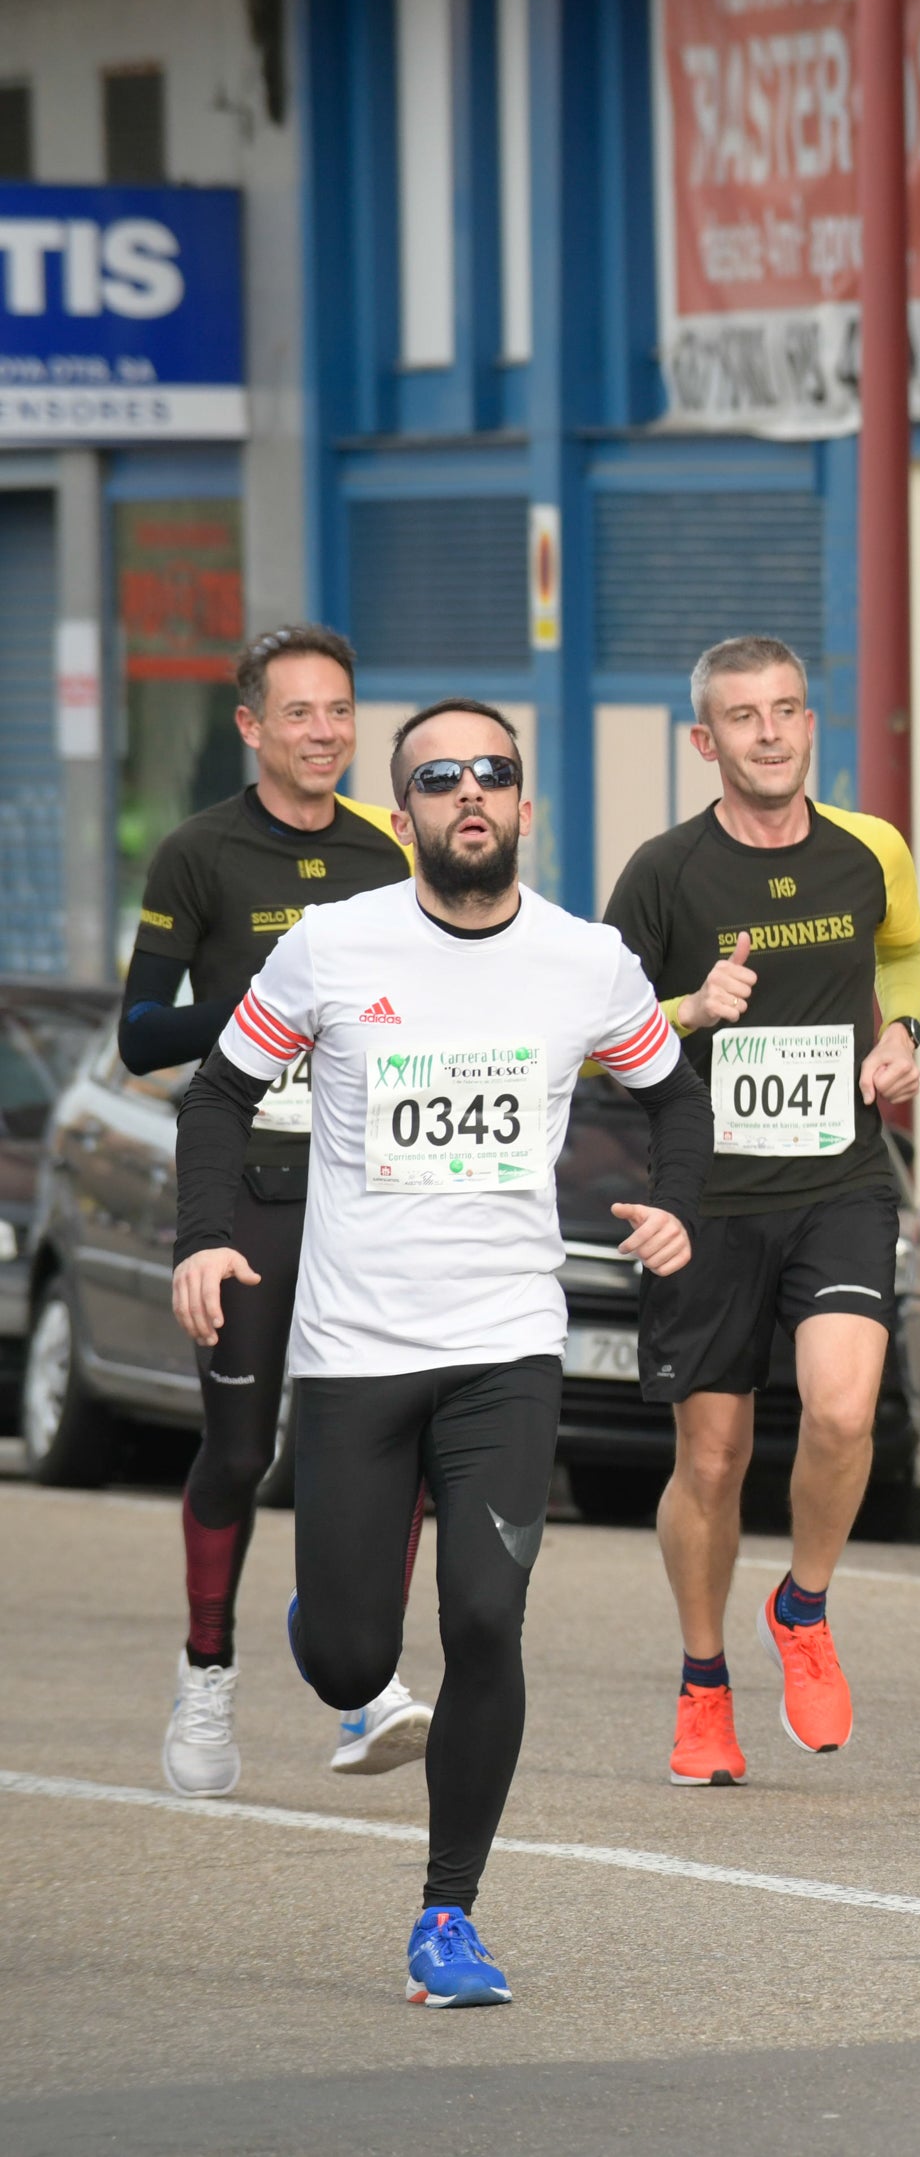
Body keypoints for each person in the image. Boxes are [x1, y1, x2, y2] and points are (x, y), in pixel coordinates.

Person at [169, 697, 709, 2006]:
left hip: (505, 1351)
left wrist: (677, 1201)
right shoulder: (332, 949)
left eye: (494, 775)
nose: (469, 792)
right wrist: (203, 1236)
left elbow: (672, 1087)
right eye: (438, 777)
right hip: (355, 1351)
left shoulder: (586, 963)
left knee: (483, 1616)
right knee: (355, 1658)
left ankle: (448, 1916)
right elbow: (218, 1088)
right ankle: (325, 1621)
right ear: (401, 812)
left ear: (525, 808)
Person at [603, 635, 920, 1785]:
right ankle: (702, 1683)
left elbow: (908, 954)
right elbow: (596, 1040)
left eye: (788, 709)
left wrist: (904, 1038)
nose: (772, 732)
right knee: (715, 1452)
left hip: (838, 1176)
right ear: (707, 740)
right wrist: (689, 1009)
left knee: (843, 1412)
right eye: (745, 717)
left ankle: (803, 1604)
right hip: (708, 1196)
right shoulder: (662, 874)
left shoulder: (867, 850)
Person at [125, 626, 436, 1797]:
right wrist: (264, 1009)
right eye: (299, 713)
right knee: (244, 1449)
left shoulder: (383, 851)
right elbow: (140, 1033)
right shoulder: (198, 856)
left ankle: (363, 1679)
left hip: (373, 1194)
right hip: (252, 1188)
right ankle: (208, 1665)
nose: (324, 732)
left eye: (340, 711)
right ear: (251, 725)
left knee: (386, 1439)